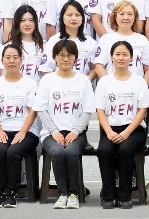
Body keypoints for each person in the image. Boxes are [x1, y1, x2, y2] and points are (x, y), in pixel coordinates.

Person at [34, 40, 95, 209]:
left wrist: (75, 131)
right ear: (55, 57)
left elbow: (87, 111)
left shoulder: (83, 80)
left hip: (77, 133)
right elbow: (41, 109)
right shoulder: (47, 80)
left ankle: (74, 194)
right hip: (51, 133)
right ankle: (62, 194)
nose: (66, 59)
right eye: (61, 55)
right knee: (59, 152)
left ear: (76, 58)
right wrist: (54, 131)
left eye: (69, 55)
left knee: (71, 152)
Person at [94, 41, 149, 209]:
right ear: (111, 57)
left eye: (125, 54)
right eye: (117, 54)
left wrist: (126, 132)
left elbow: (142, 110)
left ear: (131, 58)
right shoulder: (104, 82)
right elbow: (100, 110)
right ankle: (109, 195)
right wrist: (108, 132)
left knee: (126, 150)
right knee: (104, 150)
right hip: (110, 129)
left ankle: (125, 195)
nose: (121, 58)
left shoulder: (139, 81)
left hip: (134, 130)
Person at [0, 44, 38, 208]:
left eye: (15, 58)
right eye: (8, 58)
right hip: (2, 129)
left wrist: (23, 132)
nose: (11, 61)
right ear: (2, 60)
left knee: (13, 152)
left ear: (21, 60)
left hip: (26, 131)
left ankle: (11, 192)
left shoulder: (30, 84)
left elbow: (33, 111)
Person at [97, 0, 149, 84]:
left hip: (135, 88)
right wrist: (109, 85)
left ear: (135, 17)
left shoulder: (142, 40)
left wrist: (142, 87)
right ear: (115, 17)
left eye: (130, 14)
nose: (126, 18)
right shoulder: (106, 39)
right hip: (112, 87)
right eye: (122, 14)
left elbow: (148, 69)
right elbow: (99, 66)